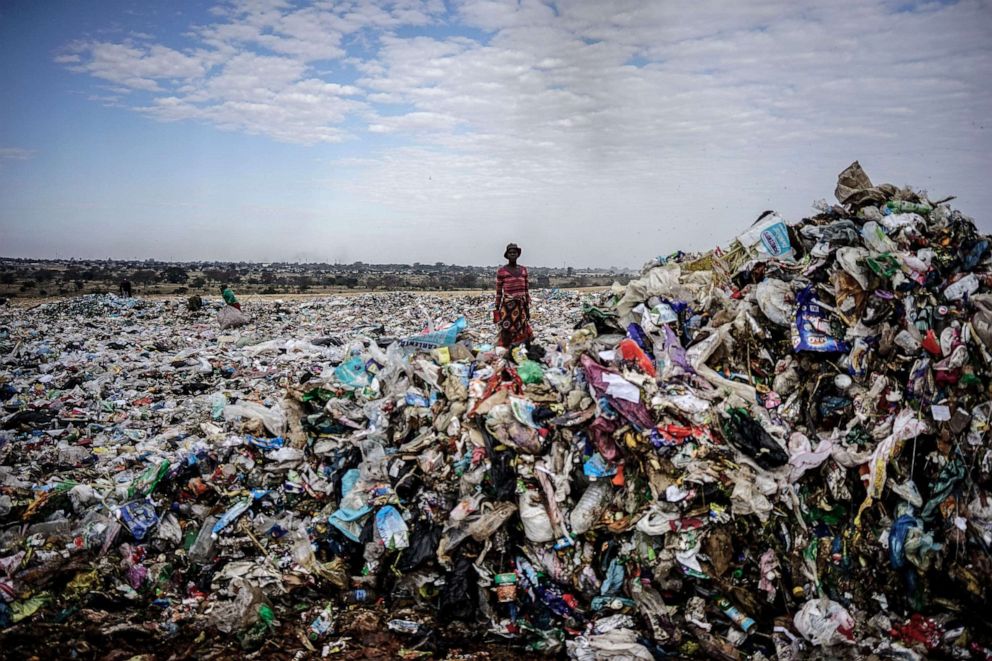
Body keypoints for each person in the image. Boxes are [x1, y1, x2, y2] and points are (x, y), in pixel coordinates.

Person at [494, 243, 533, 348]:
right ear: (507, 255)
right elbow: (498, 291)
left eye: (514, 252)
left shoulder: (523, 270)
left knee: (522, 327)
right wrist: (497, 307)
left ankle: (520, 348)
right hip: (508, 305)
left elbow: (526, 289)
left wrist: (527, 306)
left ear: (518, 254)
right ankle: (507, 348)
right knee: (507, 328)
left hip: (521, 305)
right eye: (510, 253)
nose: (512, 254)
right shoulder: (502, 271)